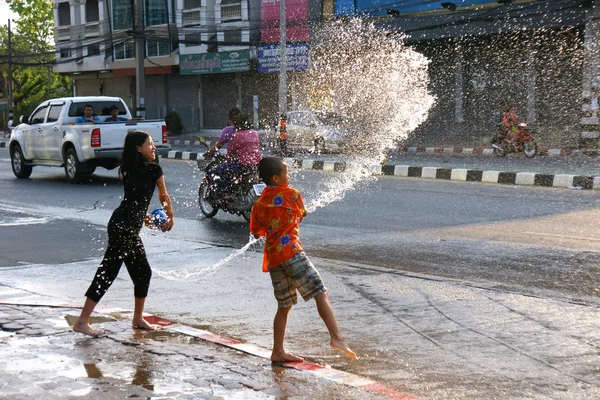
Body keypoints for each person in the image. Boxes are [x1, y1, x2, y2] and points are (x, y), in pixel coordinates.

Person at [249, 157, 357, 362]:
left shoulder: (259, 202)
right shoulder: (292, 194)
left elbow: (256, 232)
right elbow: (302, 214)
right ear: (276, 177)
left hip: (274, 259)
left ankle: (278, 351)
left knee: (284, 305)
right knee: (320, 292)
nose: (288, 177)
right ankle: (336, 337)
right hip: (291, 253)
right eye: (286, 173)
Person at [72, 130, 174, 337]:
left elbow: (135, 199)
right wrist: (170, 216)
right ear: (138, 148)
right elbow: (163, 195)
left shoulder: (127, 168)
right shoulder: (154, 169)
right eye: (150, 144)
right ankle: (82, 321)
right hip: (124, 226)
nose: (153, 147)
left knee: (143, 272)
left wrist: (144, 217)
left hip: (123, 223)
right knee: (109, 271)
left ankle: (137, 318)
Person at [207, 112, 261, 201]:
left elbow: (231, 151)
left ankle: (227, 194)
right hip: (255, 165)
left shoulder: (238, 135)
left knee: (215, 171)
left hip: (243, 166)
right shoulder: (254, 133)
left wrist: (227, 159)